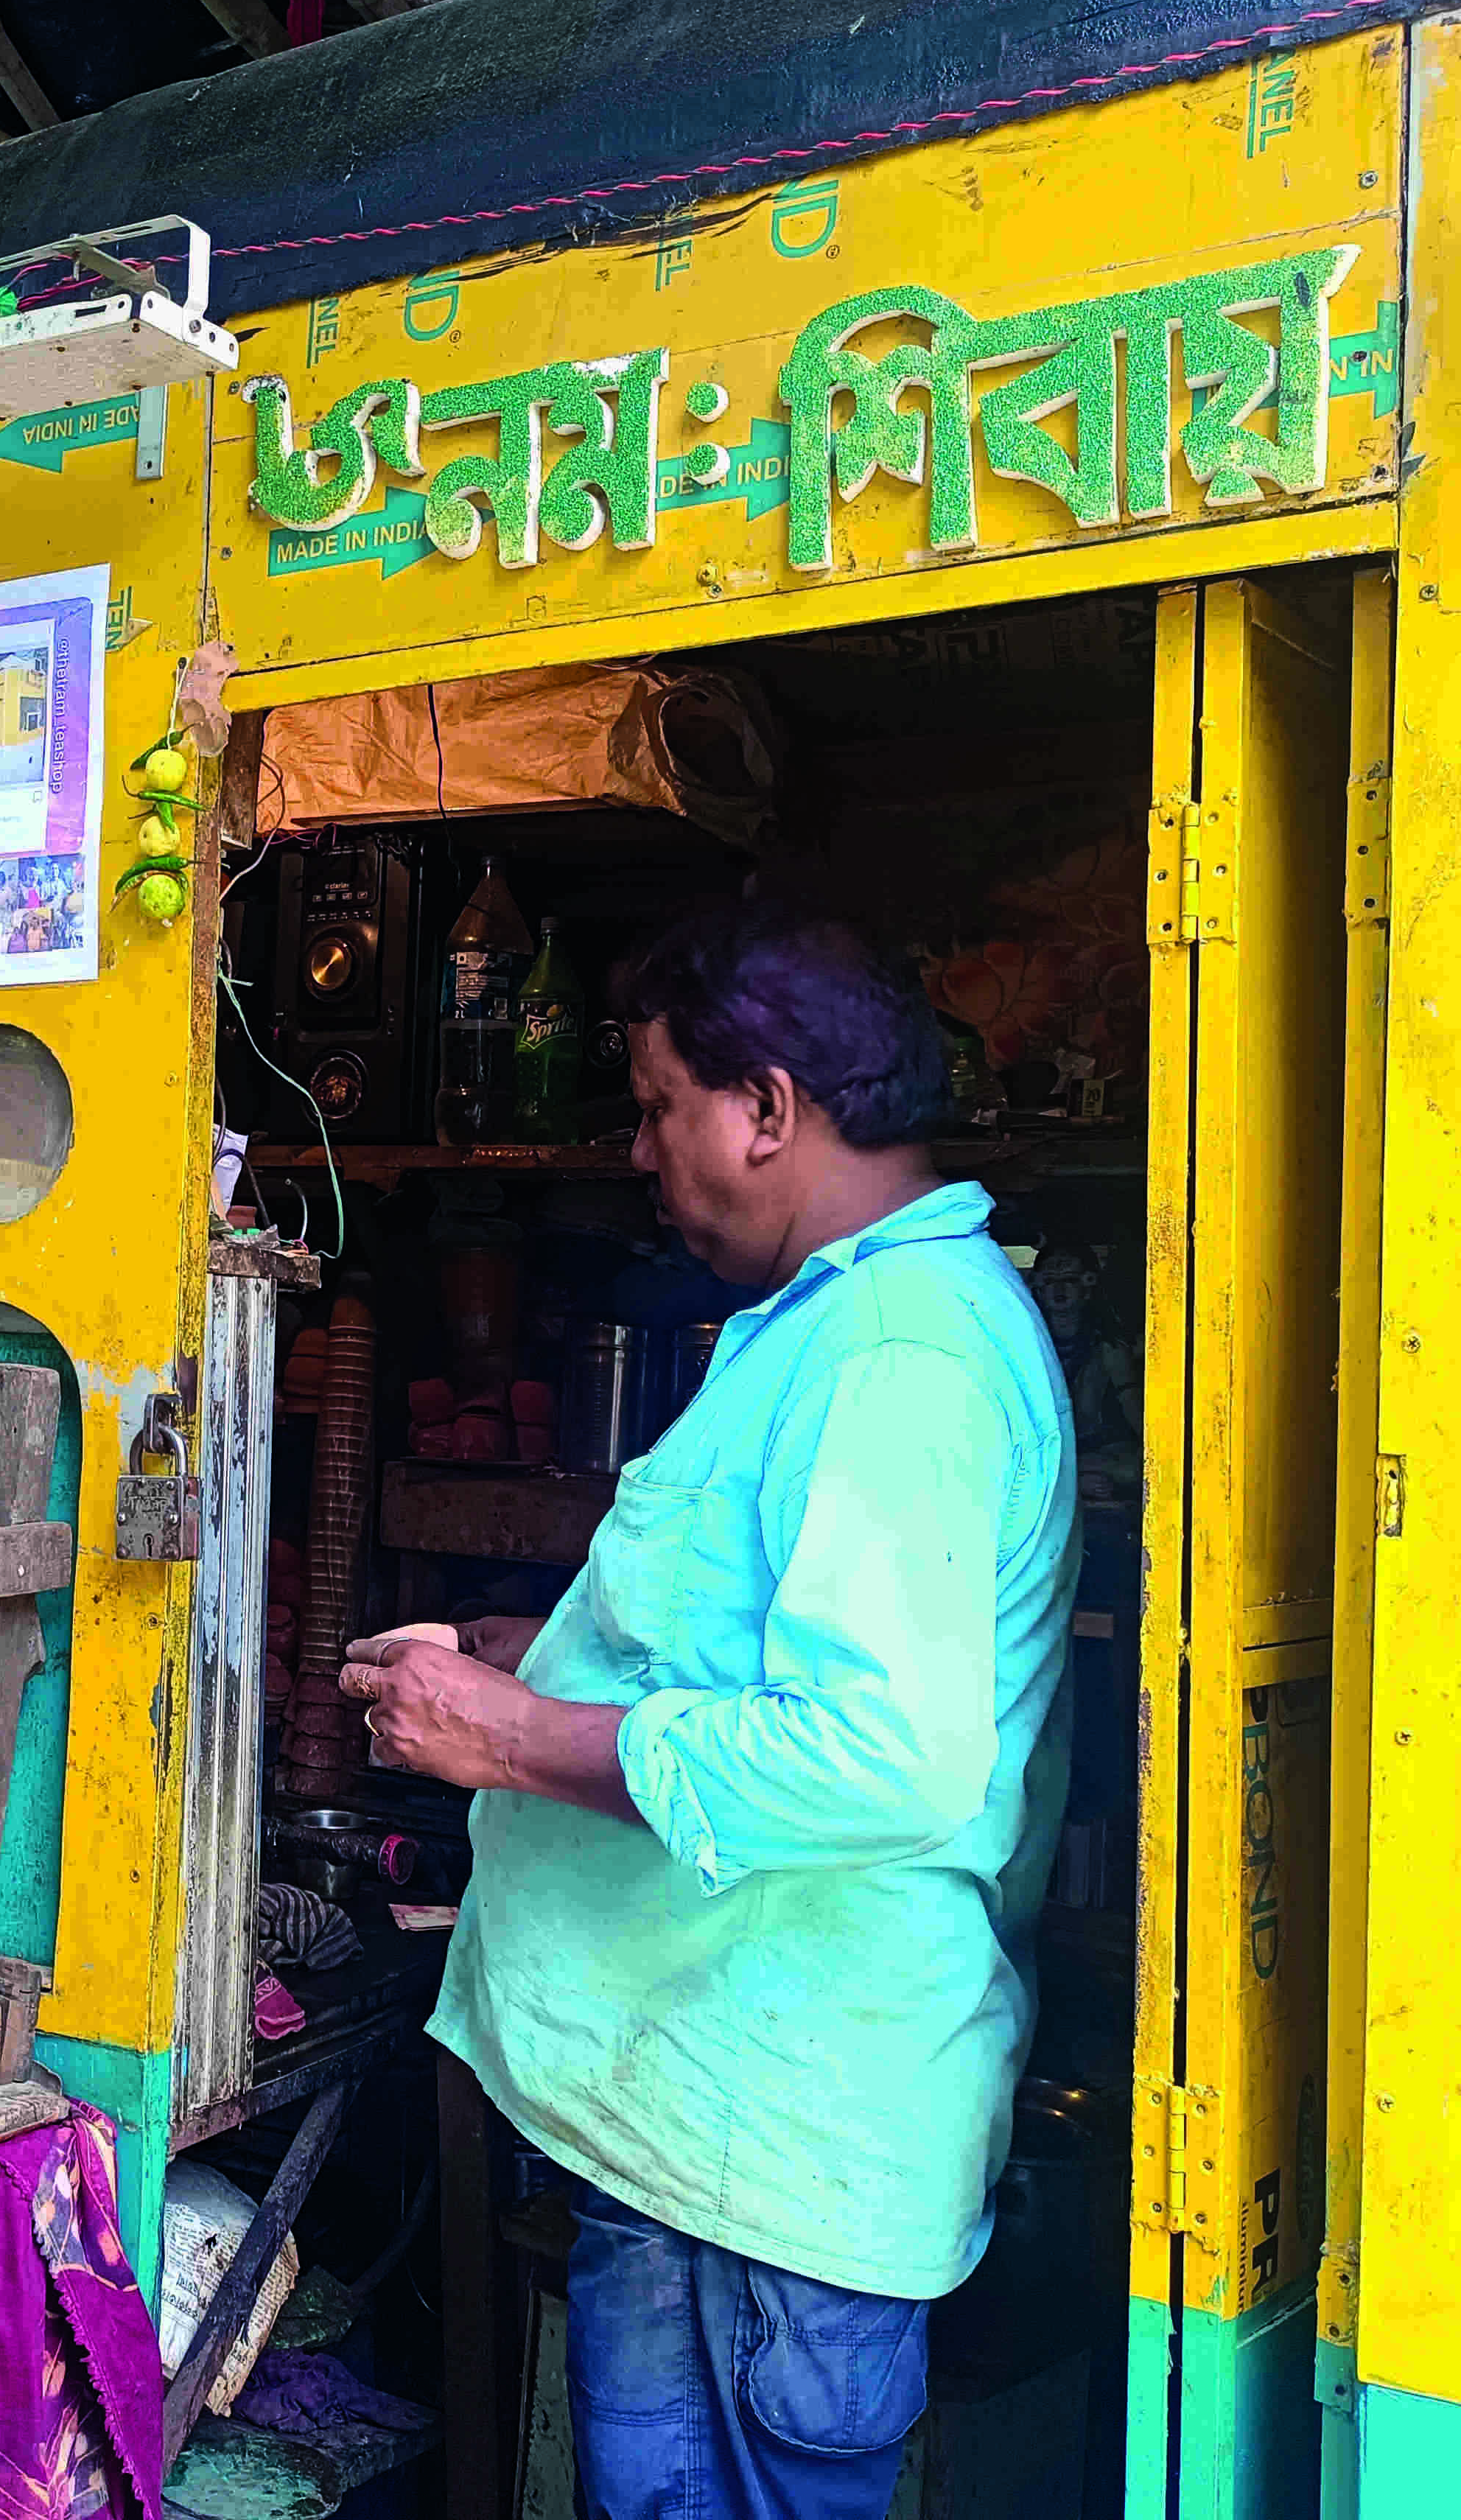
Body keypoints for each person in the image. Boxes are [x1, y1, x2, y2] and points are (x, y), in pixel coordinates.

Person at [342, 904, 1075, 2520]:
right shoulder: (837, 1327)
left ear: (765, 1108)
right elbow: (749, 1653)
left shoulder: (900, 1353)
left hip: (773, 2157)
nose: (644, 1148)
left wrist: (511, 1737)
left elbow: (885, 1754)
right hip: (704, 2136)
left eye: (661, 1104)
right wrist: (523, 1653)